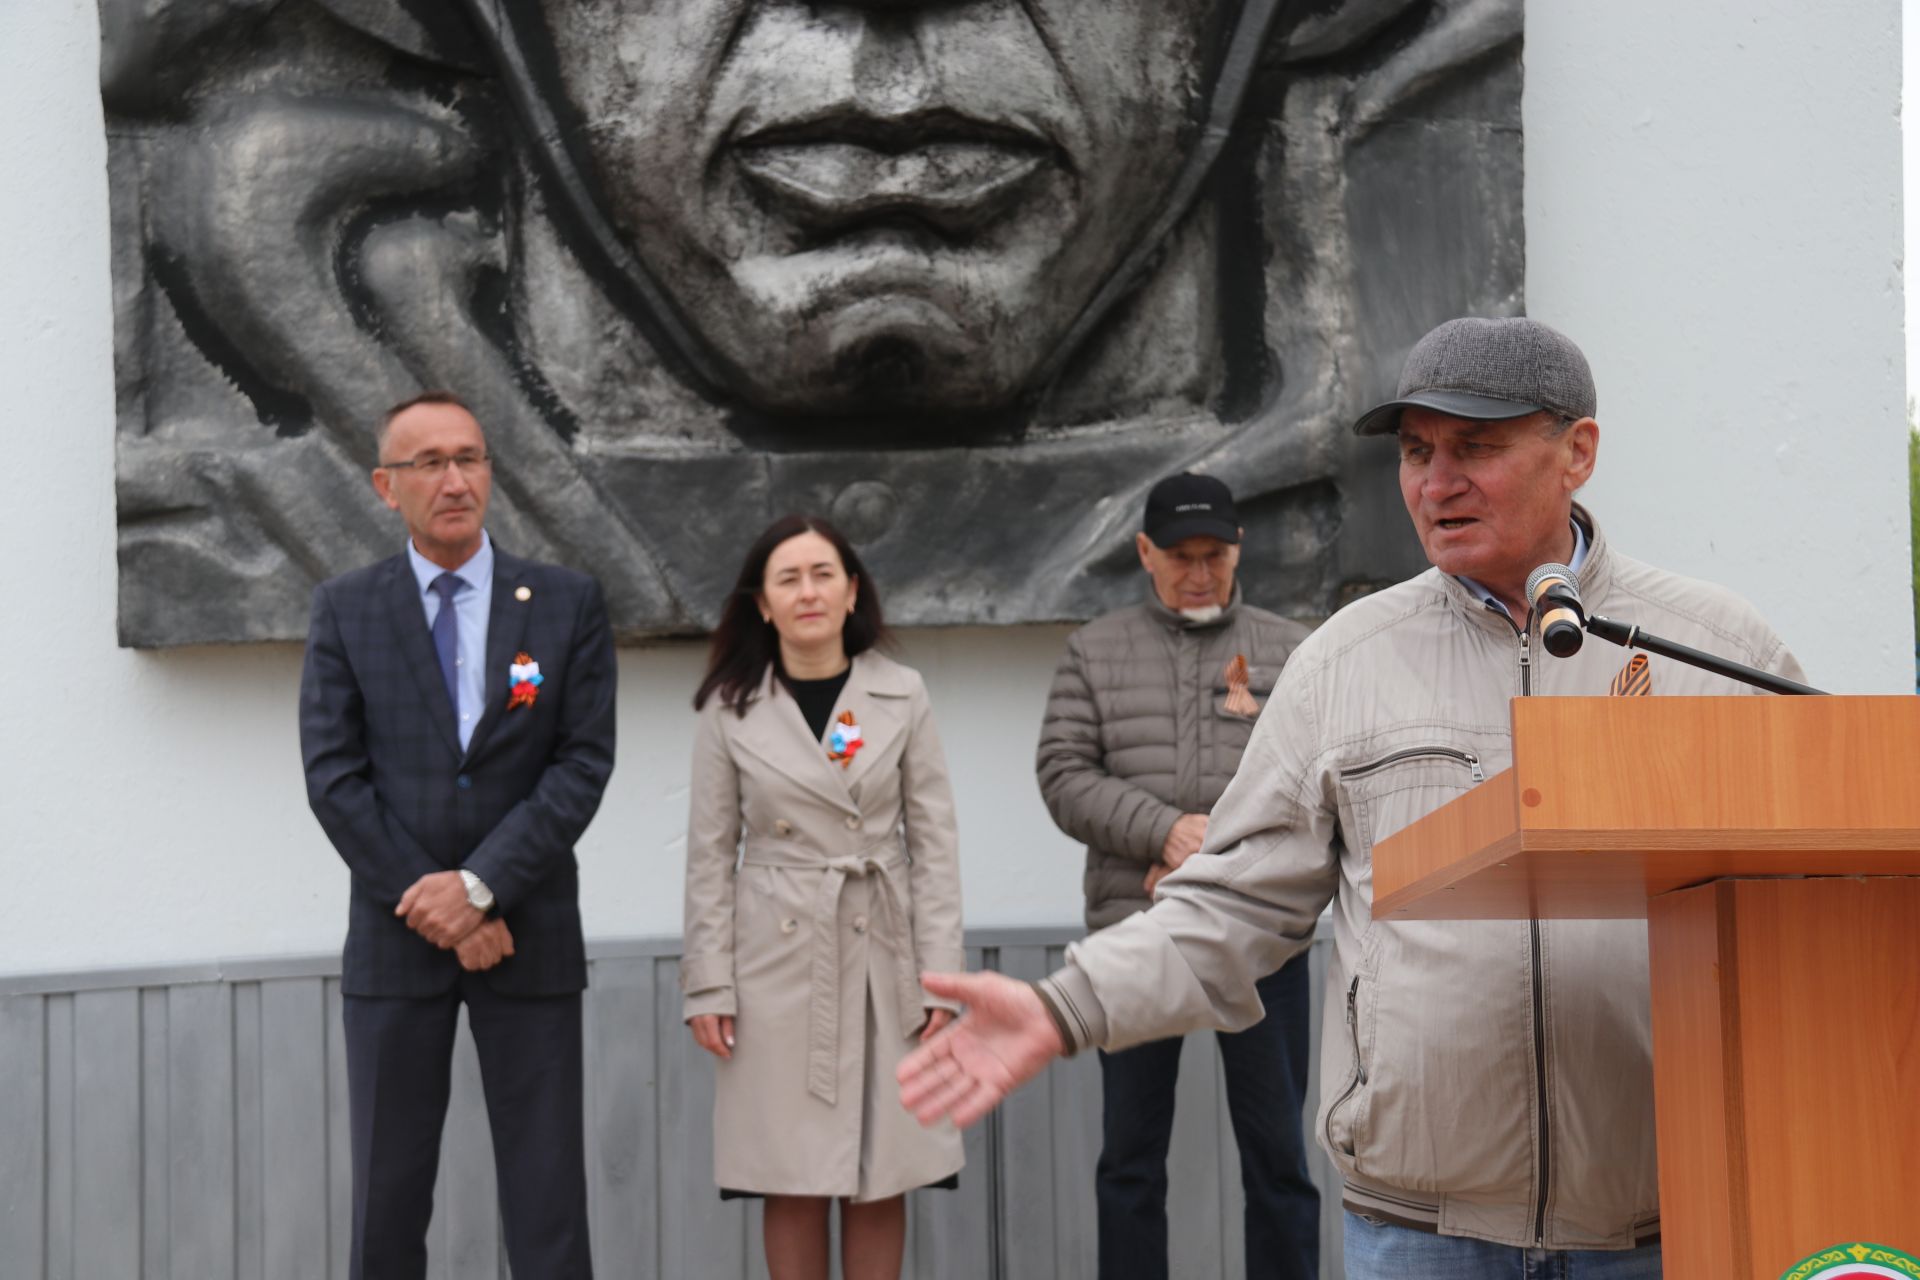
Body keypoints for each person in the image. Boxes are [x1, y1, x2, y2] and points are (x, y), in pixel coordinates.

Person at [899, 317, 1808, 1277]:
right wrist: (1062, 1006)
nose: (1436, 482)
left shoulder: (1712, 646)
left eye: (1478, 447)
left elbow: (1819, 884)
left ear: (1577, 450)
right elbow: (1231, 904)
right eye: (1417, 452)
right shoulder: (1345, 659)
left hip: (1667, 1223)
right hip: (1420, 1234)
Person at [299, 391, 617, 1279]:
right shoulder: (345, 610)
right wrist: (439, 905)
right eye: (429, 463)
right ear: (384, 486)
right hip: (397, 945)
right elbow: (335, 780)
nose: (454, 480)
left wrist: (479, 888)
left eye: (470, 458)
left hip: (532, 933)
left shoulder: (564, 603)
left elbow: (581, 766)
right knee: (387, 1202)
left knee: (548, 1202)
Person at [1036, 471, 1317, 1280]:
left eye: (1215, 555)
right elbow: (1063, 773)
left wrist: (1214, 856)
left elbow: (1310, 785)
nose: (1200, 572)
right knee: (1130, 1156)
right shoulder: (1094, 649)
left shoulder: (1290, 649)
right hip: (1134, 930)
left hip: (1263, 939)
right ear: (1145, 554)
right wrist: (1163, 832)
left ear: (1238, 551)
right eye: (1182, 556)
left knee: (1279, 1158)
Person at [682, 515, 965, 1280]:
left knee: (882, 1169)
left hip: (883, 952)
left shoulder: (900, 693)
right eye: (787, 578)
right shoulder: (728, 707)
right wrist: (708, 982)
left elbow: (934, 842)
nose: (807, 591)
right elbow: (709, 855)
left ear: (851, 593)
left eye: (822, 574)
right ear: (763, 605)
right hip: (774, 962)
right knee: (792, 1172)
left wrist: (939, 971)